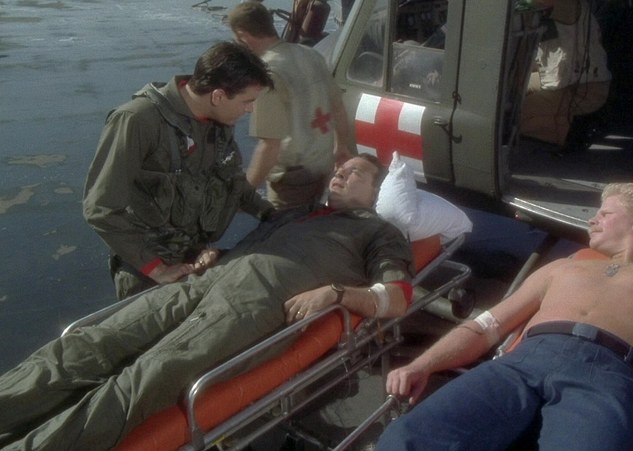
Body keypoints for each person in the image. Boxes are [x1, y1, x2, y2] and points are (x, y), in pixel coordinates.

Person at [0, 155, 413, 451]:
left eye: (355, 172)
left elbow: (397, 298)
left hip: (252, 304)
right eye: (340, 168)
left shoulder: (378, 233)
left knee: (147, 376)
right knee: (90, 342)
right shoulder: (297, 213)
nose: (340, 173)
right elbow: (253, 246)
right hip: (205, 281)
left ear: (376, 192)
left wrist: (335, 293)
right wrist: (217, 254)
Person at [379, 183, 633, 451]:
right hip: (521, 365)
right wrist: (423, 364)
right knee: (405, 439)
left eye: (605, 213)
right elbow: (487, 325)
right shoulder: (563, 268)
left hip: (609, 378)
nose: (592, 221)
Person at [82, 41, 278, 300]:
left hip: (195, 259)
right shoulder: (138, 120)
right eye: (247, 101)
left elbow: (233, 182)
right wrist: (156, 269)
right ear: (218, 96)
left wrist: (271, 215)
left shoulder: (218, 121)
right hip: (147, 272)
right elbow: (100, 208)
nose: (250, 109)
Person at [228, 2, 354, 211]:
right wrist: (341, 147)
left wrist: (245, 192)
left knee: (285, 228)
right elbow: (338, 107)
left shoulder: (266, 74)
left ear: (243, 36)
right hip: (323, 167)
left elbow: (270, 146)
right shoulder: (311, 54)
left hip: (292, 181)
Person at [519, 0, 612, 148]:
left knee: (516, 116)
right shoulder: (549, 11)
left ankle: (571, 131)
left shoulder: (569, 4)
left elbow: (542, 2)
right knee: (514, 91)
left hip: (584, 88)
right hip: (561, 79)